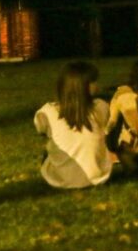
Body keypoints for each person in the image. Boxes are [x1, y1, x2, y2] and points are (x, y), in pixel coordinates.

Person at [34, 61, 116, 189]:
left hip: (60, 181)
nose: (97, 85)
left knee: (50, 146)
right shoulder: (101, 107)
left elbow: (40, 130)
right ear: (84, 86)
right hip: (98, 177)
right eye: (93, 82)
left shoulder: (47, 112)